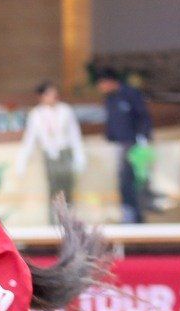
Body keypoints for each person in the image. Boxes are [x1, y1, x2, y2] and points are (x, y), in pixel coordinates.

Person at [13, 81, 85, 223]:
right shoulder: (36, 114)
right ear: (41, 96)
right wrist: (22, 161)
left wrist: (80, 156)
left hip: (65, 153)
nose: (53, 96)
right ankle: (54, 223)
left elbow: (74, 134)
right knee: (54, 190)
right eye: (49, 94)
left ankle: (70, 222)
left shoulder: (65, 110)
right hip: (49, 155)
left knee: (67, 188)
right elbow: (30, 139)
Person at [96, 67, 153, 224]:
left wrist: (143, 138)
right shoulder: (110, 99)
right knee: (124, 181)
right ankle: (128, 212)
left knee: (134, 181)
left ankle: (137, 216)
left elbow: (143, 117)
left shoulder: (130, 94)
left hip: (133, 144)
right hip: (119, 144)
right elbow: (112, 121)